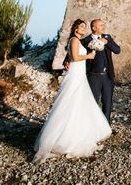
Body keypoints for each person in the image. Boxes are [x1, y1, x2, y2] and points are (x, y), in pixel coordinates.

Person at [33, 19, 111, 162]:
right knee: (70, 103)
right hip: (75, 76)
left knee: (78, 104)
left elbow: (70, 57)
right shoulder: (74, 40)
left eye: (84, 27)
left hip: (80, 74)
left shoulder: (78, 41)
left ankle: (76, 133)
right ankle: (64, 138)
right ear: (75, 28)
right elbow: (75, 57)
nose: (83, 29)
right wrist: (88, 56)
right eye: (81, 26)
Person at [82, 18, 121, 123]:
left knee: (108, 102)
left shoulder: (107, 37)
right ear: (94, 28)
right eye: (101, 25)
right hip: (94, 76)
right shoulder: (85, 41)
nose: (103, 27)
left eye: (103, 25)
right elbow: (74, 51)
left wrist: (107, 42)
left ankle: (106, 126)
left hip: (107, 76)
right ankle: (92, 126)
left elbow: (117, 50)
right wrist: (67, 61)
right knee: (93, 101)